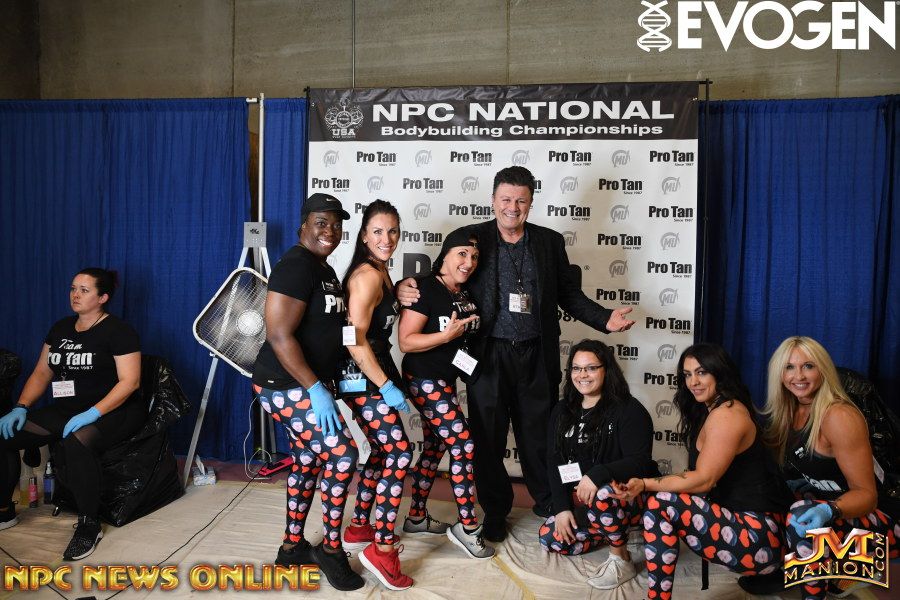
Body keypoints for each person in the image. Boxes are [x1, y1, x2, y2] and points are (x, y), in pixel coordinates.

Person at [397, 165, 635, 542]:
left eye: (521, 200)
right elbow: (443, 274)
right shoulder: (474, 238)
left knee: (539, 435)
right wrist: (404, 286)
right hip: (487, 354)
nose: (512, 207)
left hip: (536, 354)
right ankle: (495, 510)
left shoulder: (549, 242)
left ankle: (548, 502)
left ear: (531, 202)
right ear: (493, 201)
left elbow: (568, 295)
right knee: (488, 437)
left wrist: (605, 318)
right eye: (505, 199)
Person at [613, 343, 790, 600]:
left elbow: (704, 480)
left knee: (660, 502)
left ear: (719, 373)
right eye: (687, 374)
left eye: (701, 372)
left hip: (759, 538)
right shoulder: (713, 411)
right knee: (649, 495)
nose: (693, 382)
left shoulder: (728, 414)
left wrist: (645, 483)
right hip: (745, 529)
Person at [251, 193, 363, 591]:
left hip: (307, 383)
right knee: (343, 455)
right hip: (286, 384)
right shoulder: (296, 265)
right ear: (303, 227)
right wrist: (315, 388)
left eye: (336, 224)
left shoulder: (322, 267)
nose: (329, 230)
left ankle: (292, 548)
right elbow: (279, 335)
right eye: (321, 222)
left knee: (308, 459)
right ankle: (330, 550)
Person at [0, 268, 142, 560]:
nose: (75, 295)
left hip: (115, 410)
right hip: (68, 408)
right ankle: (4, 509)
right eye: (73, 288)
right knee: (5, 434)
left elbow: (130, 382)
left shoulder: (119, 331)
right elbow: (42, 372)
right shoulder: (61, 328)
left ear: (102, 297)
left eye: (84, 290)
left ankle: (89, 525)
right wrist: (21, 406)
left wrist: (93, 412)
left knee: (77, 442)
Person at [748, 336, 899, 599]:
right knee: (772, 495)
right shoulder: (789, 412)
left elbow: (868, 495)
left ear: (823, 370)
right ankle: (789, 571)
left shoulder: (838, 415)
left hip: (884, 520)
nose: (798, 376)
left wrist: (830, 509)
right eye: (789, 367)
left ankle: (839, 578)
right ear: (779, 374)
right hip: (840, 509)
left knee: (800, 513)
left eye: (808, 366)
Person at [398, 229, 495, 560]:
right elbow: (406, 341)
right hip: (424, 378)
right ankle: (467, 527)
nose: (469, 262)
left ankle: (416, 518)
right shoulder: (425, 288)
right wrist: (444, 336)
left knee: (436, 445)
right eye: (462, 254)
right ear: (445, 255)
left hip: (446, 378)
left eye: (474, 256)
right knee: (463, 443)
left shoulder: (463, 291)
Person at [337, 200, 414, 590]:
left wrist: (397, 290)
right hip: (362, 376)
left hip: (373, 372)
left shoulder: (380, 271)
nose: (387, 239)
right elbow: (353, 340)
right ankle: (382, 549)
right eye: (379, 232)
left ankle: (358, 528)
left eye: (393, 231)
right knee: (399, 453)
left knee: (384, 452)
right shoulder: (367, 276)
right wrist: (384, 385)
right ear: (365, 235)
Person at [537, 339, 658, 589]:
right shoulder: (562, 410)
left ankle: (621, 558)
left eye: (591, 368)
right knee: (551, 538)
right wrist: (562, 508)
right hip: (588, 502)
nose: (582, 375)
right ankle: (617, 532)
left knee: (604, 491)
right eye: (576, 368)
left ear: (606, 370)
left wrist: (598, 473)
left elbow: (641, 462)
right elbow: (554, 461)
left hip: (626, 497)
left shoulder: (629, 410)